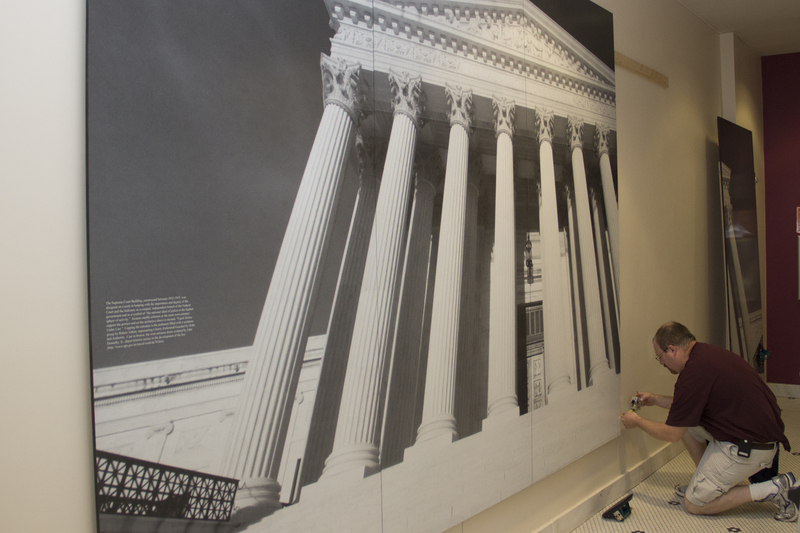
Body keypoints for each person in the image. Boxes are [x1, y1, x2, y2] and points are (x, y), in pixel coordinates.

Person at [621, 321, 798, 521]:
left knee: (694, 503)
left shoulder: (692, 376)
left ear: (672, 350)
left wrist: (637, 421)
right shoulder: (706, 355)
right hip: (759, 436)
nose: (660, 362)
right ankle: (706, 482)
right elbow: (686, 406)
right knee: (687, 424)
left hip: (752, 447)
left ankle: (772, 488)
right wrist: (655, 399)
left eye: (660, 357)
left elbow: (671, 434)